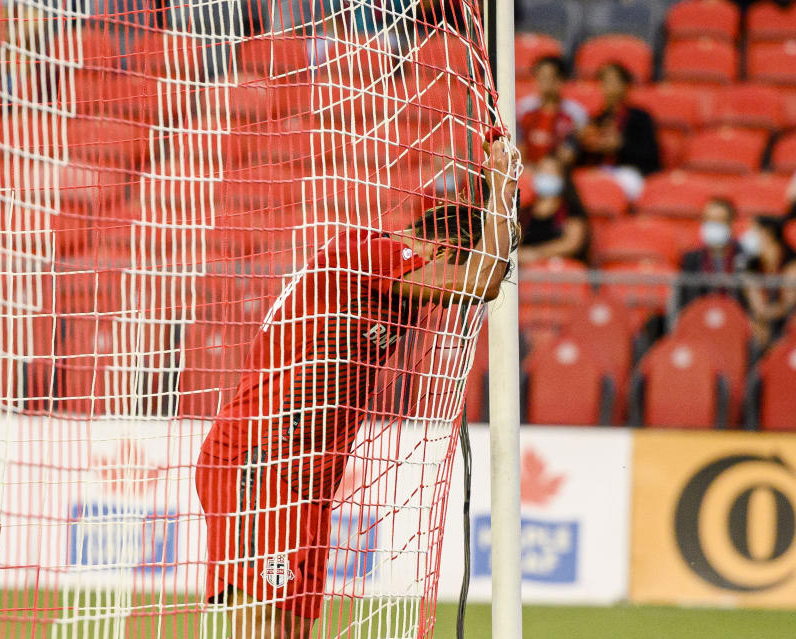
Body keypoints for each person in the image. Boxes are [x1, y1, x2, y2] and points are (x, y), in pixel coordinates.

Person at [195, 139, 519, 639]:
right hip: (259, 461)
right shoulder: (370, 253)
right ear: (439, 249)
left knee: (288, 624)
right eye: (449, 263)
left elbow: (485, 275)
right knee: (258, 613)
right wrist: (501, 186)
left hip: (304, 479)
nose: (444, 287)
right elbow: (484, 279)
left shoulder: (392, 287)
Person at [578, 62, 660, 200]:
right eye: (605, 82)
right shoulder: (595, 119)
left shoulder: (640, 117)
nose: (610, 87)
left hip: (630, 172)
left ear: (626, 86)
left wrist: (621, 145)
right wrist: (585, 144)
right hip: (600, 171)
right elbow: (584, 158)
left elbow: (651, 155)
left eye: (615, 81)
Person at [515, 56, 588, 166]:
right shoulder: (523, 109)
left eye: (549, 77)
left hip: (562, 171)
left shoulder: (575, 113)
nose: (545, 83)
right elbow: (518, 146)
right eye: (541, 77)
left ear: (560, 80)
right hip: (527, 169)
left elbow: (574, 150)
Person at [518, 155, 588, 264]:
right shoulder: (525, 212)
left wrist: (537, 253)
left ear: (562, 177)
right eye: (541, 170)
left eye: (551, 172)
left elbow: (572, 243)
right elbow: (516, 241)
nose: (545, 175)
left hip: (561, 270)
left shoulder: (570, 209)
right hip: (528, 271)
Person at [677, 198, 744, 309]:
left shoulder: (743, 256)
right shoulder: (691, 259)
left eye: (719, 220)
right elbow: (685, 298)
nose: (713, 225)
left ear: (731, 224)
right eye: (708, 220)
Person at [740, 216, 796, 347]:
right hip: (762, 324)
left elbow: (788, 305)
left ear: (768, 233)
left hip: (788, 322)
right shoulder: (752, 266)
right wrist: (760, 319)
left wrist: (766, 314)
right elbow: (757, 305)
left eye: (753, 231)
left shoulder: (791, 264)